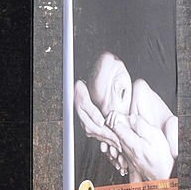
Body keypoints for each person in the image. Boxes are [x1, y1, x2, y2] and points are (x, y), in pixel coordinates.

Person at [73, 51, 177, 182]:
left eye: (117, 72)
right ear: (103, 115)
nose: (117, 84)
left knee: (173, 128)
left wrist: (122, 120)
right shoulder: (112, 128)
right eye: (108, 94)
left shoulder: (139, 89)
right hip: (153, 165)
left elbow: (142, 125)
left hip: (170, 137)